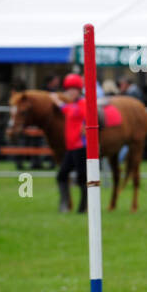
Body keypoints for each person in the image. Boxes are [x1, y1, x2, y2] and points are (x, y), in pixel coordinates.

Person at [52, 73, 88, 212]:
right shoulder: (71, 105)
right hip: (71, 147)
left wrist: (84, 127)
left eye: (74, 89)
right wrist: (55, 100)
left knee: (81, 178)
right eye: (68, 89)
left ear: (79, 90)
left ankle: (83, 207)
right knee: (61, 175)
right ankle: (65, 204)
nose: (71, 92)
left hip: (81, 147)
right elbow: (64, 109)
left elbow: (88, 118)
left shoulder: (83, 103)